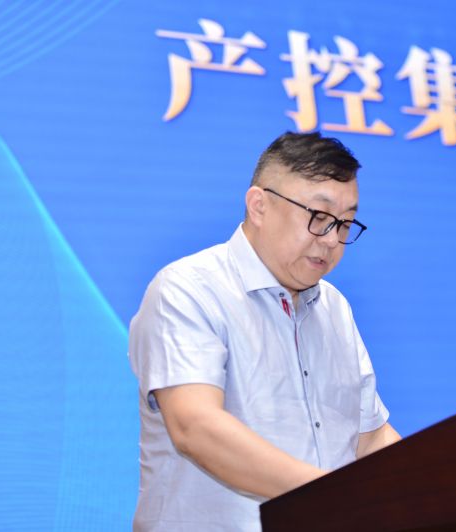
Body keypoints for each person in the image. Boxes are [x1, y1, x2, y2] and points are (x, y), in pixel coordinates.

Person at [128, 131, 401, 531]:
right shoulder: (189, 289)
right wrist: (333, 496)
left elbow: (369, 439)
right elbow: (195, 427)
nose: (331, 240)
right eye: (319, 217)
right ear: (259, 206)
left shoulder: (335, 308)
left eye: (344, 223)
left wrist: (436, 490)